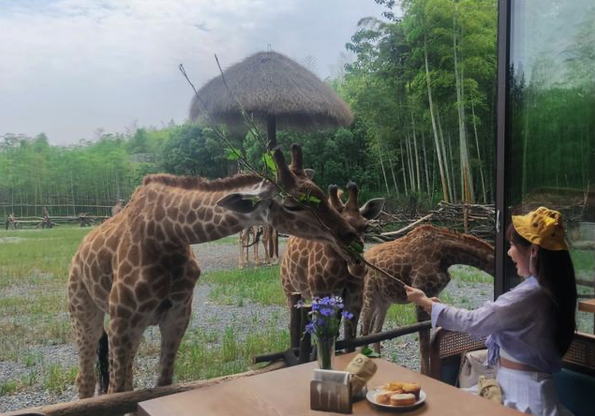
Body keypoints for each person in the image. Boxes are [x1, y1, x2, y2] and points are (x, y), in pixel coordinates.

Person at [406, 206, 577, 416]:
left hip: (524, 398)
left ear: (534, 251)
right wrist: (440, 307)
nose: (509, 252)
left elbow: (475, 321)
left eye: (513, 245)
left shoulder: (531, 295)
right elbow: (493, 322)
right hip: (517, 388)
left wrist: (427, 304)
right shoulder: (545, 289)